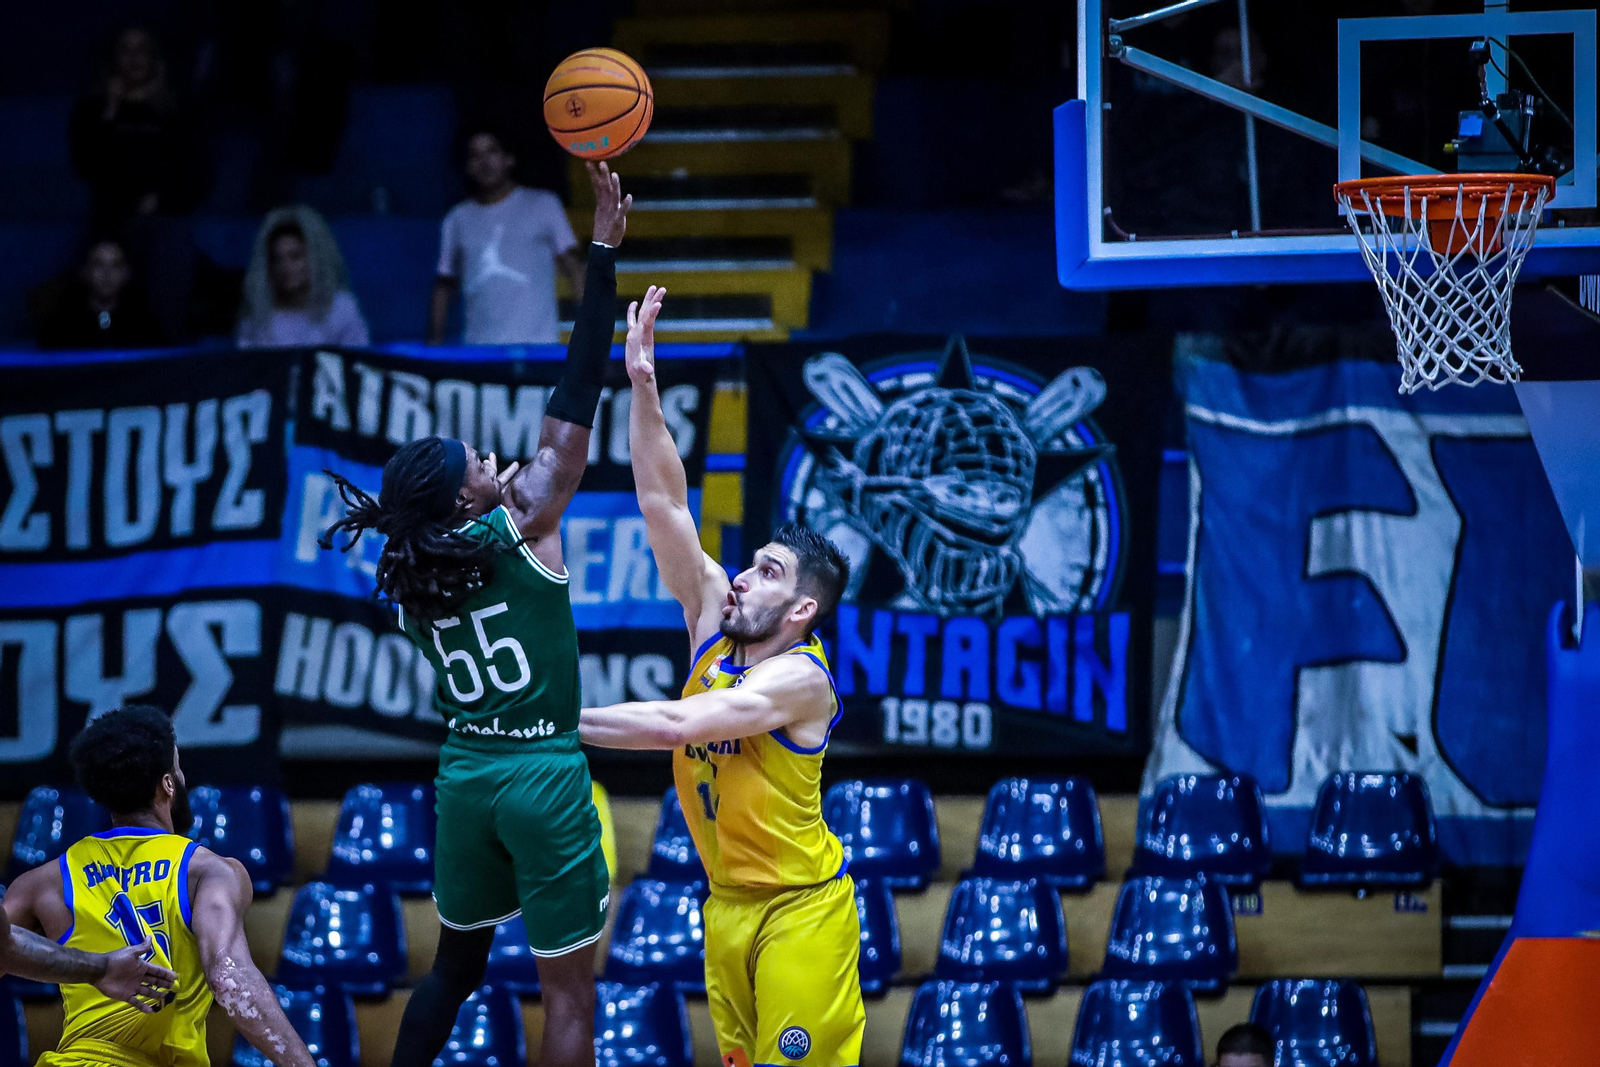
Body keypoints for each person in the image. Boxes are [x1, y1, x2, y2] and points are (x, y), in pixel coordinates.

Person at [318, 161, 628, 1067]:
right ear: (465, 500)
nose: (493, 454)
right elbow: (576, 399)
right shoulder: (524, 521)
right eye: (475, 458)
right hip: (541, 772)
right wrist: (601, 255)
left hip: (466, 776)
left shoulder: (408, 569)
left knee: (452, 968)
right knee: (568, 992)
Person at [579, 286, 866, 1067]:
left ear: (803, 606)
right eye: (746, 564)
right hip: (727, 907)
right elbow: (661, 500)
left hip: (801, 911)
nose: (739, 576)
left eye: (766, 571)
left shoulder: (803, 682)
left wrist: (554, 721)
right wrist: (642, 387)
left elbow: (679, 725)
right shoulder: (713, 622)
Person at [1, 706, 317, 1067]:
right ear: (168, 783)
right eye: (178, 767)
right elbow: (229, 976)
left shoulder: (45, 881)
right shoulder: (208, 871)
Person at [429, 127, 585, 345]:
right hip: (479, 354)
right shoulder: (456, 219)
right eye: (475, 155)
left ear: (509, 158)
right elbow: (444, 286)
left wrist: (592, 337)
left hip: (537, 352)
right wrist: (433, 345)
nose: (484, 162)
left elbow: (575, 269)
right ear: (467, 167)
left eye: (492, 152)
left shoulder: (543, 204)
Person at [236, 205, 370, 348]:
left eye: (295, 257)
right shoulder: (256, 319)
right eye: (277, 259)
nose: (286, 267)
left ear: (315, 258)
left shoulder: (342, 309)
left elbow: (359, 361)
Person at [37, 239, 162, 350]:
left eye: (115, 265)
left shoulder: (142, 324)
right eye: (98, 264)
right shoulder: (62, 326)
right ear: (86, 271)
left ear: (126, 273)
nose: (107, 273)